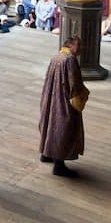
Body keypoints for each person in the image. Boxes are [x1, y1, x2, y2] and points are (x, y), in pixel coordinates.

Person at [38, 35, 88, 178]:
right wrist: (82, 97)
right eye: (78, 45)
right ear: (70, 45)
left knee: (49, 124)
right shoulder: (70, 60)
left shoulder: (57, 57)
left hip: (50, 98)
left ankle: (46, 153)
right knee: (63, 129)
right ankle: (59, 166)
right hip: (63, 101)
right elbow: (75, 84)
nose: (81, 49)